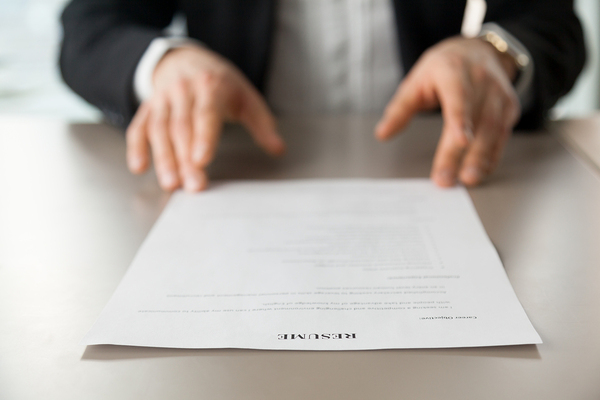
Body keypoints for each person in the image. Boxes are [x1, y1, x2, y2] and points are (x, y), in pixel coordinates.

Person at [59, 0, 585, 192]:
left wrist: (493, 53)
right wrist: (166, 62)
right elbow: (91, 27)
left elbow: (551, 22)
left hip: (439, 167)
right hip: (235, 165)